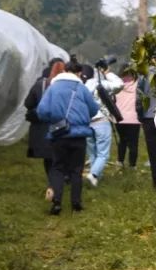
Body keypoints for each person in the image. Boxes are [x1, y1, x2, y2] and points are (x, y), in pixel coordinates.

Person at [37, 57, 100, 215]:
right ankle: (76, 204)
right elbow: (93, 109)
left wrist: (53, 119)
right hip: (79, 135)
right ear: (79, 73)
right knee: (76, 170)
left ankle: (57, 202)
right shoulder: (82, 88)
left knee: (57, 167)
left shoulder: (54, 87)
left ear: (65, 70)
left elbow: (42, 111)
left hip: (59, 134)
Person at [24, 57, 64, 200]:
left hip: (41, 128)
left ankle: (51, 185)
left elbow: (28, 104)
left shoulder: (40, 85)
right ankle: (53, 186)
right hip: (59, 127)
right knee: (57, 159)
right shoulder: (65, 86)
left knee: (48, 158)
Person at [84, 59, 123, 187]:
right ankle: (93, 174)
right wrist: (107, 72)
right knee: (103, 153)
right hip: (101, 121)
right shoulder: (103, 84)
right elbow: (119, 84)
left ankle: (96, 179)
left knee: (92, 152)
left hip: (87, 122)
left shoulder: (83, 86)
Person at [115, 66, 142, 168]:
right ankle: (132, 165)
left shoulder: (117, 86)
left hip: (119, 118)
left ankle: (120, 162)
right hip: (133, 119)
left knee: (122, 141)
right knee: (133, 144)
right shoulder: (137, 85)